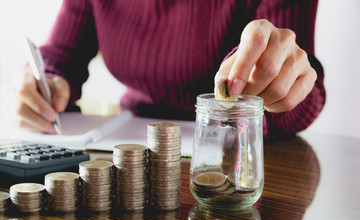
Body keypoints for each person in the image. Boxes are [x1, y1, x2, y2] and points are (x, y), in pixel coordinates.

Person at [9, 0, 325, 137]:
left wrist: (283, 84)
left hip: (245, 153)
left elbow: (294, 68)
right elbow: (63, 53)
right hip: (129, 139)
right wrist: (46, 80)